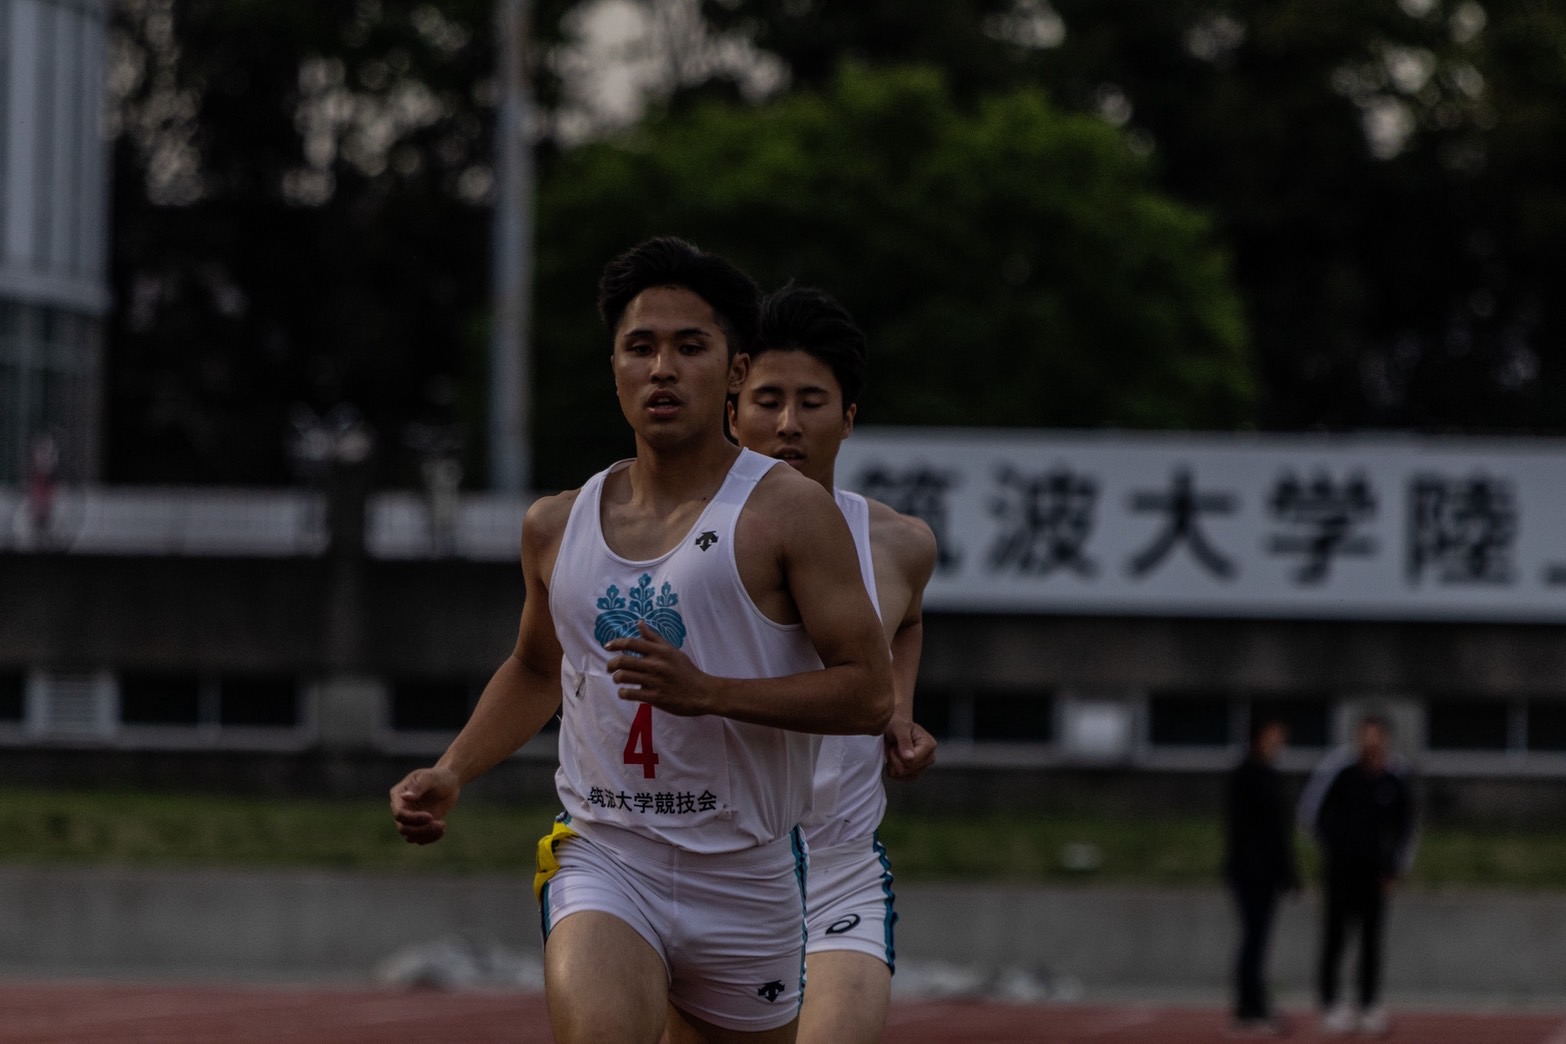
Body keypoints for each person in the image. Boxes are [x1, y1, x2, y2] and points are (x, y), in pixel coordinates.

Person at [390, 237, 895, 1044]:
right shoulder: (556, 525)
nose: (663, 369)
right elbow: (535, 668)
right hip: (609, 851)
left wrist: (710, 694)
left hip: (747, 871)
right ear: (615, 367)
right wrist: (453, 769)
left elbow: (868, 693)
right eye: (641, 348)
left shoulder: (790, 513)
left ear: (735, 372)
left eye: (690, 347)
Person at [728, 284, 939, 1044]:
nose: (788, 423)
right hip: (720, 861)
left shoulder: (899, 544)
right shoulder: (683, 541)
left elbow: (906, 622)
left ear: (847, 418)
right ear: (731, 411)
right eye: (768, 400)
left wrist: (899, 711)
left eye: (811, 402)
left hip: (839, 863)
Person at [1298, 714, 1417, 1037]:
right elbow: (1310, 814)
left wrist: (1394, 868)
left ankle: (1368, 1004)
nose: (1371, 742)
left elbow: (1406, 828)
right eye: (1366, 735)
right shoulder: (1341, 773)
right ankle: (1331, 1004)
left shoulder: (1394, 779)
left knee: (1371, 941)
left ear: (1386, 739)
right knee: (1334, 938)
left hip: (1375, 875)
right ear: (1358, 738)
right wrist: (1334, 849)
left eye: (1377, 736)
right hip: (1340, 871)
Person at [1222, 715, 1300, 1036]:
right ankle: (1248, 1008)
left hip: (1267, 872)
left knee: (1259, 940)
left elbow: (1279, 832)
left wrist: (1287, 872)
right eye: (1273, 735)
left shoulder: (1271, 776)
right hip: (1249, 872)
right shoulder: (1245, 776)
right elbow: (1242, 829)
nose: (1279, 741)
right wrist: (1245, 866)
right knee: (1253, 939)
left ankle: (1254, 1005)